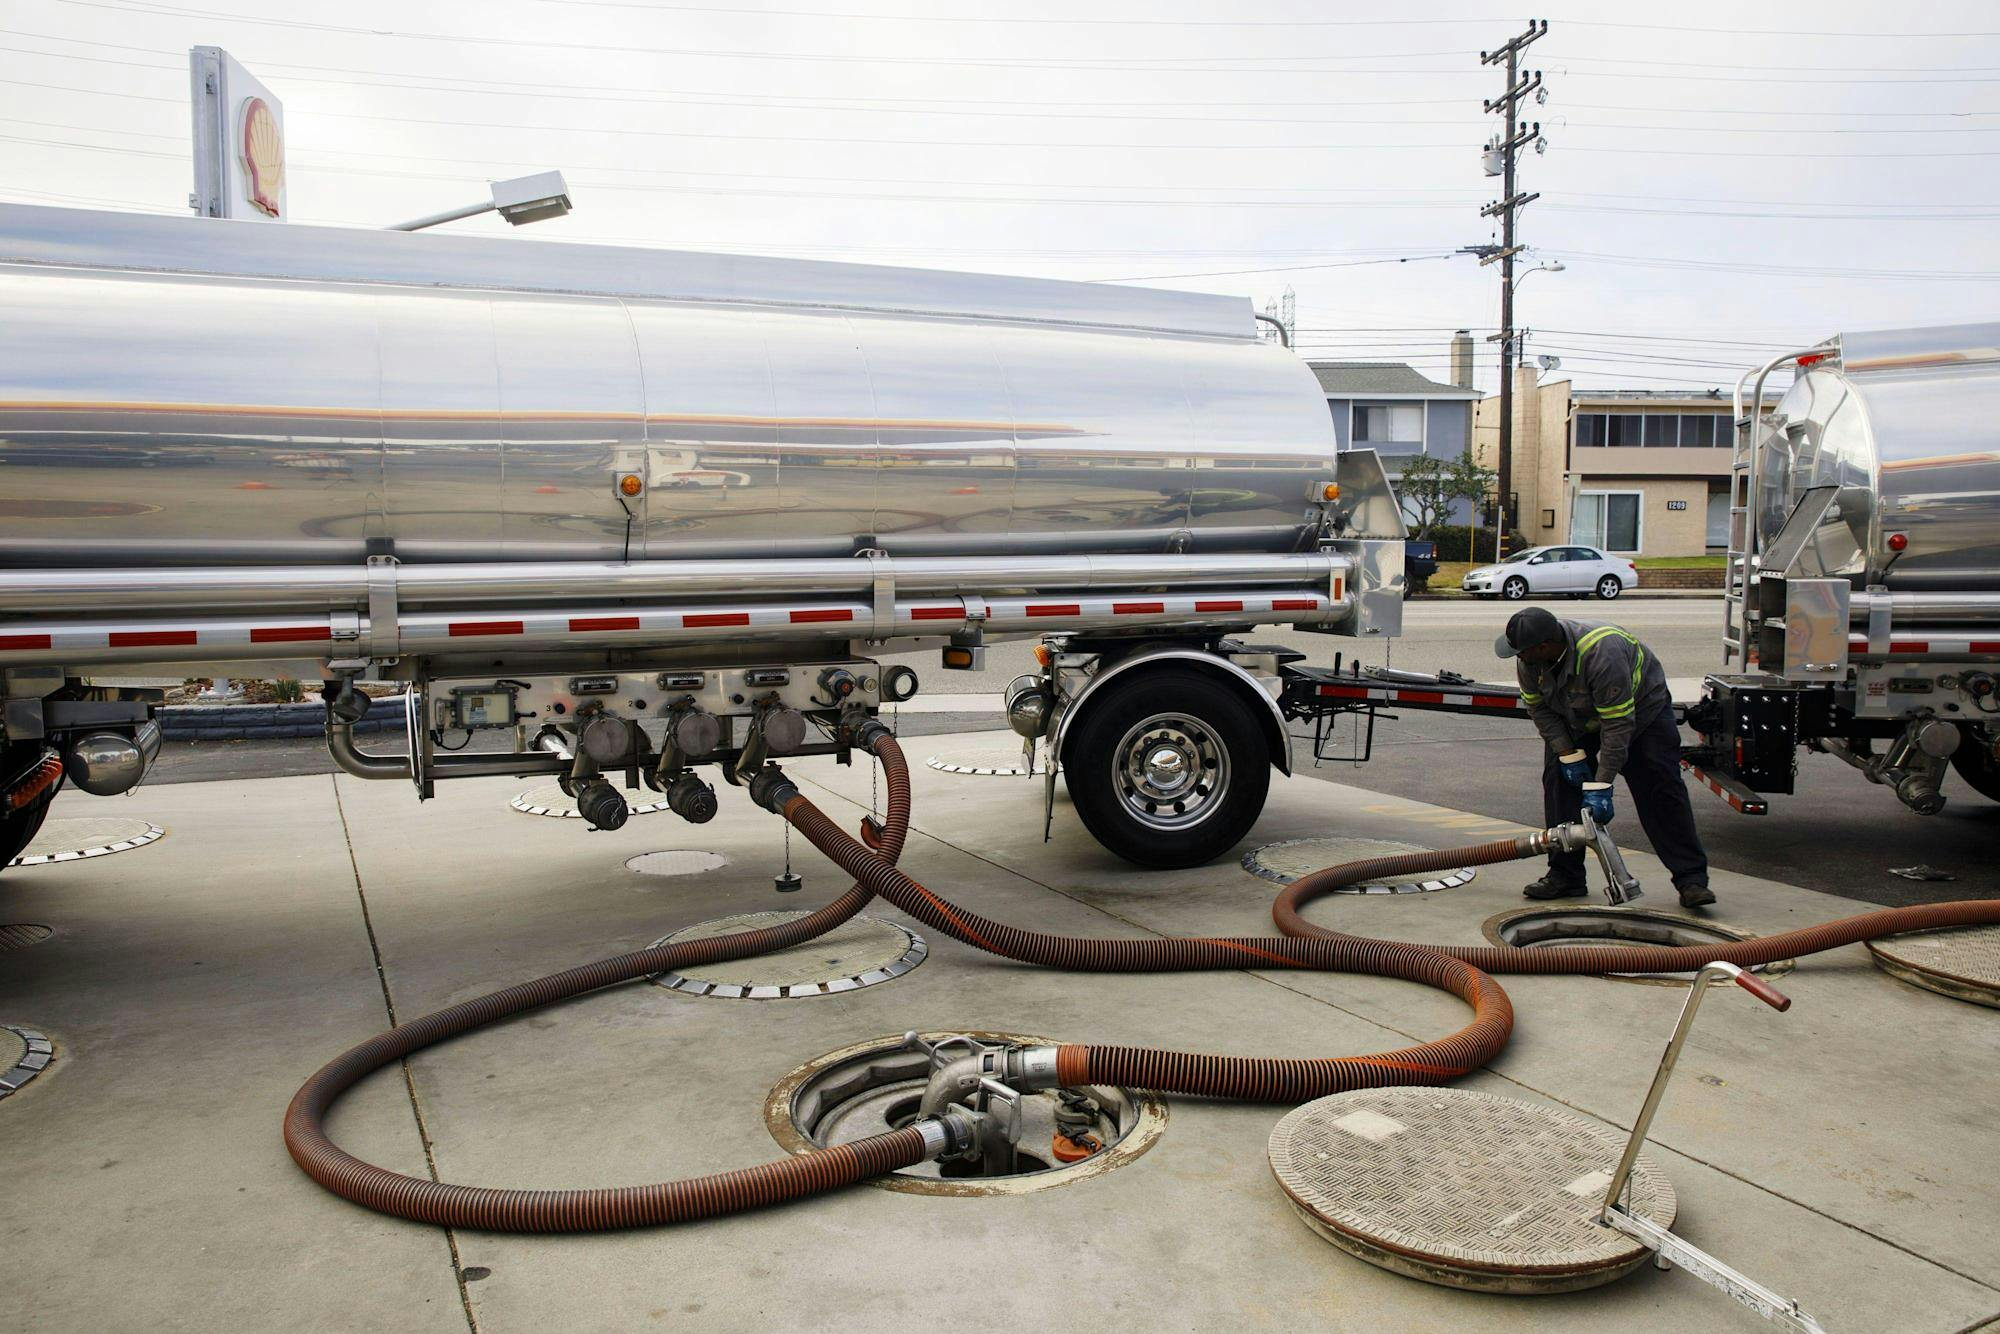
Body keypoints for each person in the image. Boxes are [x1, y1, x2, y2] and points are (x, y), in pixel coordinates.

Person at [1495, 606, 1715, 908]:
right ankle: (1566, 875)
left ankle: (1690, 879)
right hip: (1575, 715)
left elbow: (1617, 726)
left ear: (1543, 646)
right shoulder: (1531, 663)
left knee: (1658, 786)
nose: (1518, 658)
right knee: (1559, 781)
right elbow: (1540, 710)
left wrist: (1601, 787)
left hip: (1639, 714)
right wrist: (1568, 755)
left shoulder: (1601, 652)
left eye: (1522, 652)